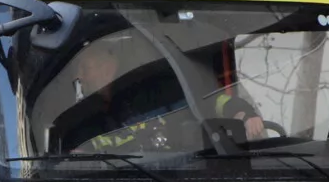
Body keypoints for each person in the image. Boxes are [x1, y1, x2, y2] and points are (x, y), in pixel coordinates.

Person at [60, 40, 264, 151]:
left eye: (85, 68)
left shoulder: (158, 92)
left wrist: (243, 113)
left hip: (185, 180)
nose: (80, 77)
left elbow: (210, 101)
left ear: (108, 66)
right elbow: (81, 156)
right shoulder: (82, 119)